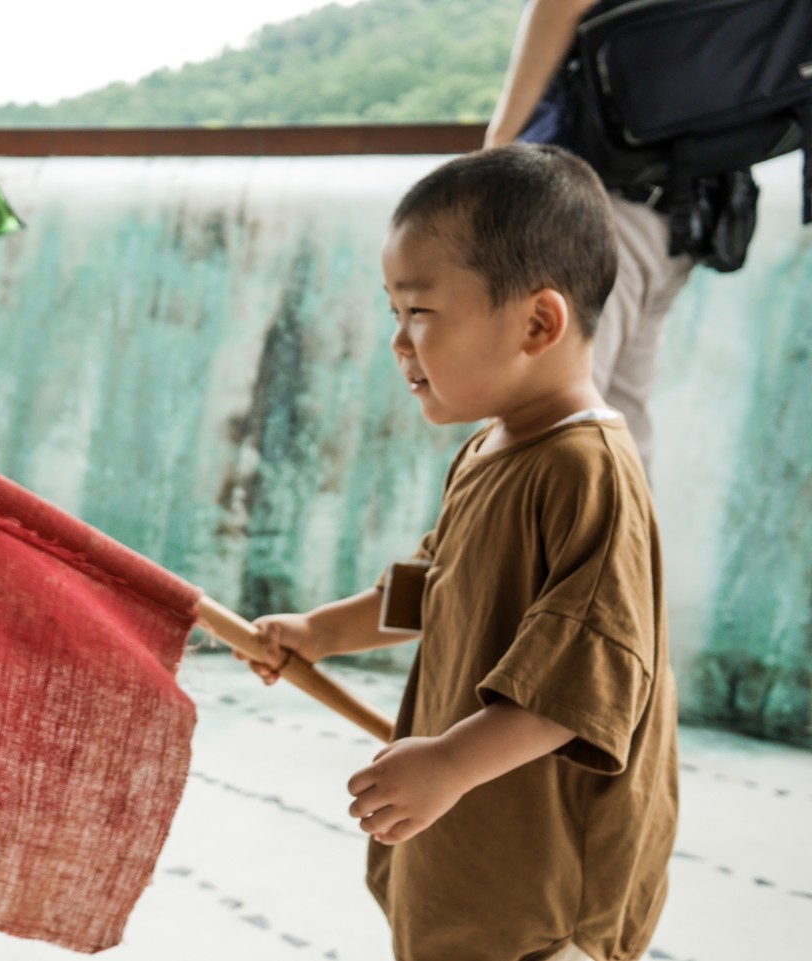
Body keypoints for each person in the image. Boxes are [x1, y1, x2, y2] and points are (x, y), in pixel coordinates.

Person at [243, 145, 677, 961]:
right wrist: (321, 632)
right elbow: (434, 584)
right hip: (478, 835)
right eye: (393, 314)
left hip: (547, 878)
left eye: (421, 313)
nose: (400, 343)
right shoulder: (492, 448)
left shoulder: (588, 474)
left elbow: (585, 678)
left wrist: (448, 760)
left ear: (537, 323)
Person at [484, 0, 695, 477]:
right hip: (689, 203)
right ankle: (624, 551)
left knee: (549, 422)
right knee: (618, 422)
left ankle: (546, 553)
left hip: (599, 194)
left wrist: (498, 144)